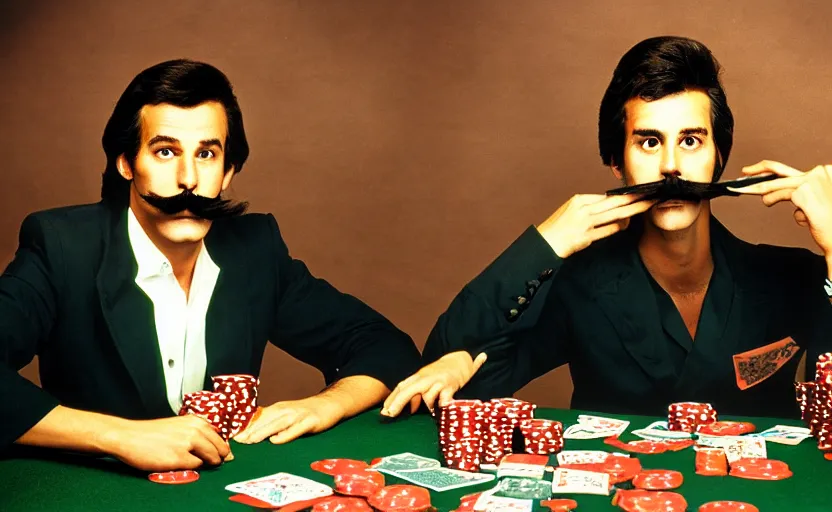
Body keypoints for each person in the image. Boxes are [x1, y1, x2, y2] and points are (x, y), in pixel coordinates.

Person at [0, 59, 421, 472]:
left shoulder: (254, 250)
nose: (188, 179)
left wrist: (325, 404)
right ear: (126, 163)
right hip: (85, 490)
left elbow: (383, 344)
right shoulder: (61, 246)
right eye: (165, 151)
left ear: (228, 171)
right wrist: (120, 436)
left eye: (206, 154)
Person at [381, 36, 832, 420]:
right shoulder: (580, 286)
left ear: (719, 157)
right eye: (649, 142)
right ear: (616, 161)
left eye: (691, 141)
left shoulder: (795, 277)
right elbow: (443, 364)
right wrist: (546, 243)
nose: (671, 167)